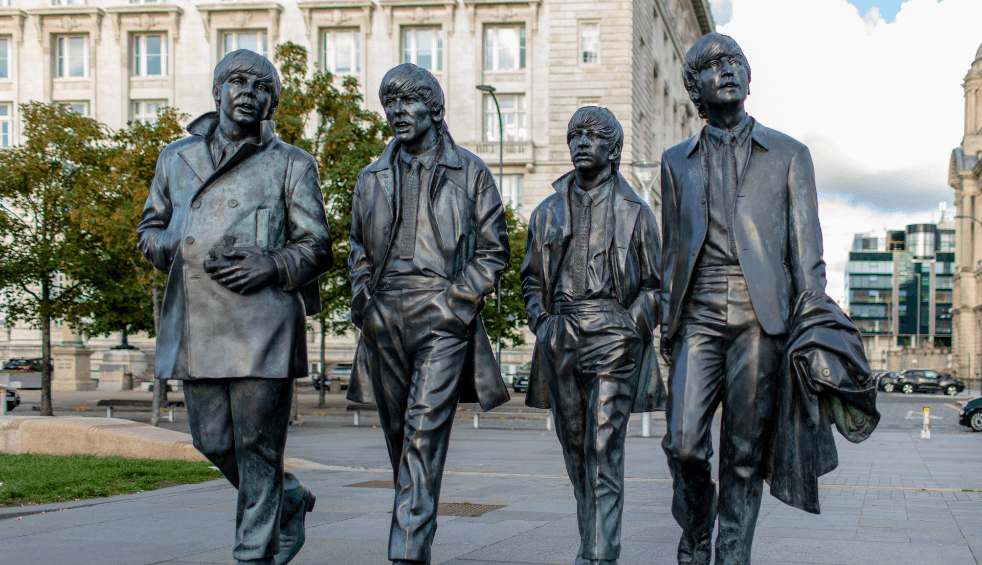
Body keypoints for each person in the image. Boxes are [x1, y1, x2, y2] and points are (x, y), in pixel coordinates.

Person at [659, 32, 881, 565]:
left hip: (764, 321)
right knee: (684, 443)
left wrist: (813, 332)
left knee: (742, 453)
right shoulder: (675, 161)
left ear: (749, 77)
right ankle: (695, 536)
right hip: (697, 313)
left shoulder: (789, 154)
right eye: (713, 65)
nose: (728, 70)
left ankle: (732, 554)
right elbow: (672, 251)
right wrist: (667, 326)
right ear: (694, 87)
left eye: (735, 61)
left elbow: (808, 259)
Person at [137, 49, 333, 565]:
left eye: (262, 86)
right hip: (198, 319)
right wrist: (175, 239)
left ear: (272, 101)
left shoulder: (292, 162)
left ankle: (253, 554)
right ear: (217, 92)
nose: (249, 91)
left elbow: (317, 244)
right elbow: (149, 231)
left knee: (257, 446)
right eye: (238, 81)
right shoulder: (176, 157)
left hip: (264, 320)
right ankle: (288, 499)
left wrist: (272, 264)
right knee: (212, 440)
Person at [346, 63, 511, 565]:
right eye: (389, 103)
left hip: (441, 312)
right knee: (400, 438)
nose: (396, 111)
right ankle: (417, 521)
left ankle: (407, 550)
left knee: (422, 432)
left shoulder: (471, 171)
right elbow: (358, 250)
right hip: (384, 314)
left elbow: (493, 251)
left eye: (407, 101)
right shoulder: (370, 176)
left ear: (435, 108)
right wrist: (362, 303)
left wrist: (455, 304)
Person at [521, 106, 663, 565]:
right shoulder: (546, 212)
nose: (582, 142)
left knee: (603, 444)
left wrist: (630, 328)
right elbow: (530, 282)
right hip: (561, 332)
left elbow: (657, 285)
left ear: (614, 149)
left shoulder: (636, 212)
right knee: (576, 446)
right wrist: (543, 326)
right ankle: (591, 542)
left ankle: (600, 554)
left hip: (614, 333)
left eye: (594, 136)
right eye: (575, 135)